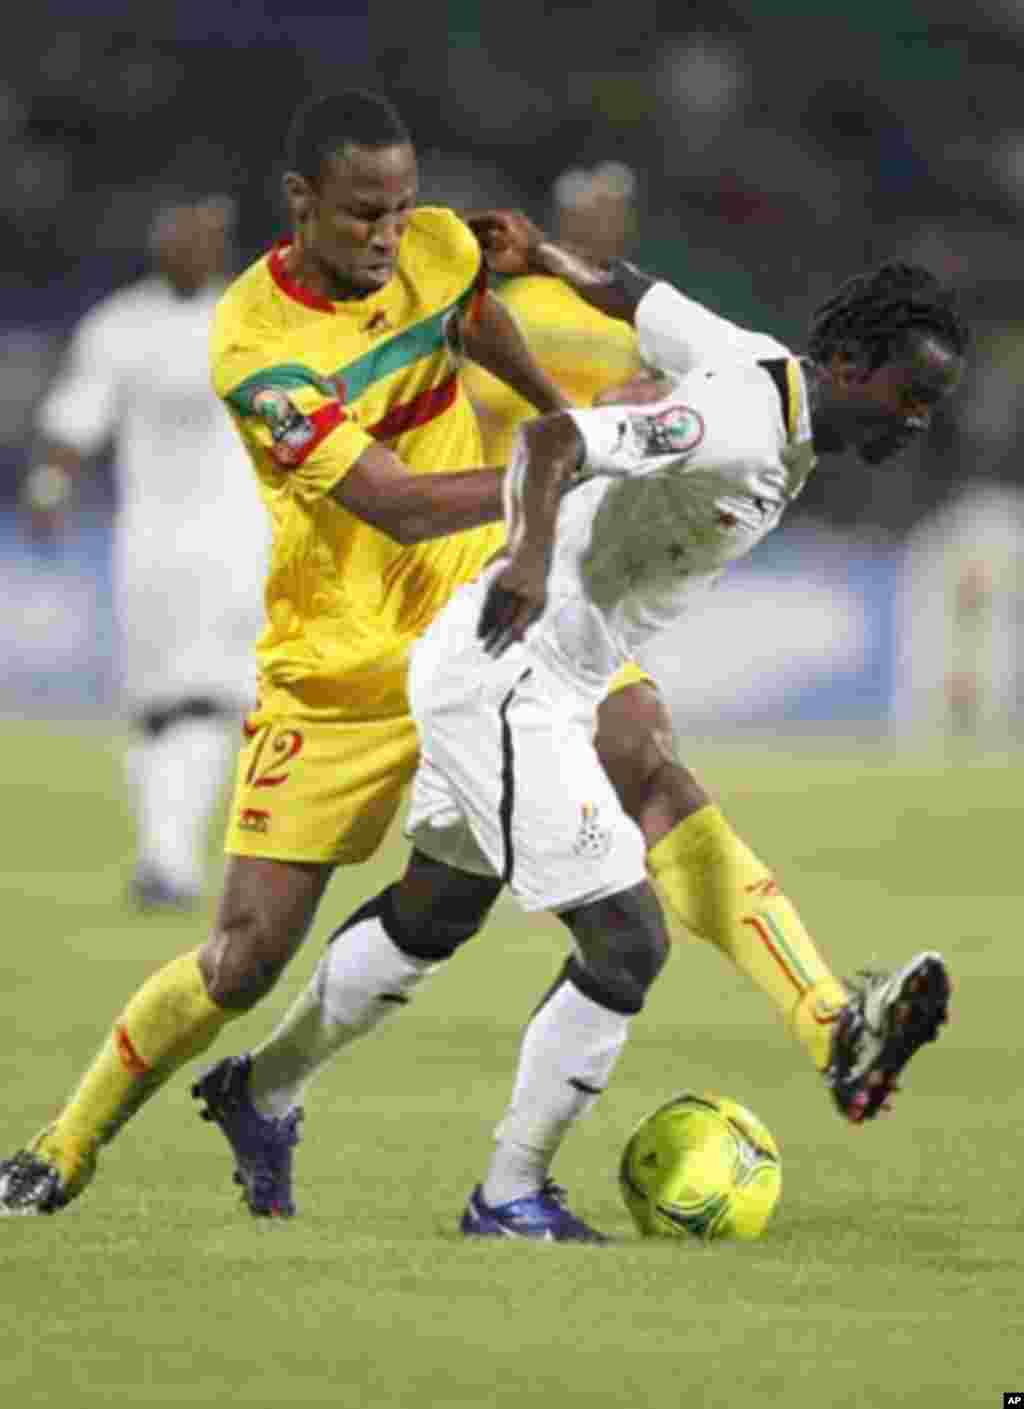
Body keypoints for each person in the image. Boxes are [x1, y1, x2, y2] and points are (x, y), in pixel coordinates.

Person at [192, 226, 964, 1236]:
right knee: (626, 938)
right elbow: (553, 442)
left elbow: (637, 292)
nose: (914, 421)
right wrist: (527, 556)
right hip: (507, 673)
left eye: (930, 406)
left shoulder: (760, 368)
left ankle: (259, 1089)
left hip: (539, 672)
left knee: (435, 911)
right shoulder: (733, 420)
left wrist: (549, 257)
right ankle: (508, 1193)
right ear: (850, 365)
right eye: (907, 395)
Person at [0, 90, 649, 1216]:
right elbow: (393, 504)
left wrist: (550, 409)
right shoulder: (255, 345)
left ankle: (511, 1180)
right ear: (300, 202)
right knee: (243, 956)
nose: (388, 235)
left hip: (481, 626)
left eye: (400, 208)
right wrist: (562, 456)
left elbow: (471, 311)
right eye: (361, 214)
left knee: (633, 764)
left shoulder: (437, 243)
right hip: (339, 661)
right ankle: (67, 1140)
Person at [23, 196, 268, 910]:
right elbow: (75, 420)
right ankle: (164, 855)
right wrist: (48, 486)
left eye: (209, 234)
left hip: (236, 542)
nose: (195, 246)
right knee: (156, 707)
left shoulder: (253, 323)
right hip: (150, 545)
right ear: (160, 240)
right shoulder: (121, 326)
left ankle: (169, 863)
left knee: (212, 698)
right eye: (182, 232)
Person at [464, 162, 643, 464]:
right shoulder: (520, 300)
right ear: (565, 220)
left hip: (602, 480)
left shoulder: (635, 305)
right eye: (591, 216)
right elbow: (482, 404)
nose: (601, 226)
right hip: (519, 476)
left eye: (612, 215)